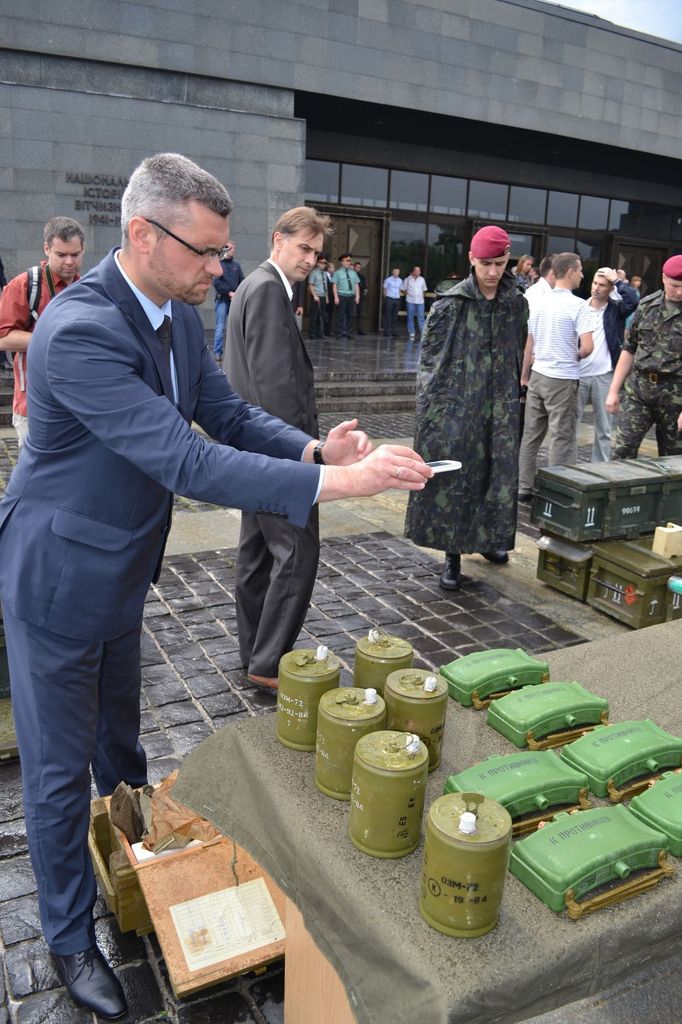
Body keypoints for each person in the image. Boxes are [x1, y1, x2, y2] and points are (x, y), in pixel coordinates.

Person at [0, 152, 432, 1021]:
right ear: (141, 235)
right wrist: (339, 490)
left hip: (122, 569)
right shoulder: (80, 329)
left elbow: (226, 413)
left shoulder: (175, 317)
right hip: (55, 580)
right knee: (53, 773)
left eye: (224, 250)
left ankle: (136, 854)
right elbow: (186, 456)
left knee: (121, 740)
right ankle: (70, 936)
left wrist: (315, 452)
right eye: (205, 251)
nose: (221, 268)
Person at [226, 207, 344, 687]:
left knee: (255, 553)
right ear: (279, 240)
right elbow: (274, 385)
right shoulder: (269, 289)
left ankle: (254, 652)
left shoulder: (256, 286)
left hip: (255, 447)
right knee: (298, 552)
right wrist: (305, 454)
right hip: (279, 454)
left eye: (317, 252)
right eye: (304, 248)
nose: (311, 259)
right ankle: (270, 663)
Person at [405, 225, 528, 591]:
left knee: (498, 474)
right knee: (457, 479)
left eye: (500, 263)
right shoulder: (450, 304)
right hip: (458, 408)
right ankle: (452, 555)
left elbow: (517, 350)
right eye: (486, 263)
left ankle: (491, 540)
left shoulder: (516, 303)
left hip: (501, 406)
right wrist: (437, 415)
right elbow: (429, 366)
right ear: (472, 260)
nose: (493, 272)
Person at [0, 216, 85, 447]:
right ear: (47, 249)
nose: (69, 261)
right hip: (35, 406)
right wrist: (54, 339)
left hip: (78, 404)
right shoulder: (25, 285)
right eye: (61, 254)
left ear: (83, 250)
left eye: (75, 255)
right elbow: (3, 338)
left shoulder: (87, 288)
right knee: (37, 479)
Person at [517, 253, 595, 500]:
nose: (582, 275)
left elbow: (529, 343)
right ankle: (557, 491)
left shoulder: (537, 301)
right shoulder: (579, 305)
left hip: (538, 375)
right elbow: (588, 347)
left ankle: (524, 487)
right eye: (580, 270)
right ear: (570, 271)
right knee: (562, 436)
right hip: (562, 378)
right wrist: (576, 353)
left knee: (531, 435)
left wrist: (524, 375)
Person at [606, 254, 682, 459]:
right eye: (675, 285)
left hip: (676, 395)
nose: (679, 291)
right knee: (622, 451)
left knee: (674, 459)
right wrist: (614, 390)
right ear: (664, 278)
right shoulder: (647, 306)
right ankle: (618, 491)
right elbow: (629, 349)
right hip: (639, 390)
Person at [576, 267, 639, 462]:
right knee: (570, 426)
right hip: (578, 374)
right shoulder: (579, 307)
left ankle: (600, 469)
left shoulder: (615, 309)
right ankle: (568, 468)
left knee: (604, 428)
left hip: (604, 374)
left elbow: (634, 301)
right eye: (595, 283)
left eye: (602, 285)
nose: (596, 288)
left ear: (610, 288)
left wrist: (618, 281)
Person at [211, 240, 243, 361]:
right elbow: (217, 283)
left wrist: (237, 293)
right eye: (230, 248)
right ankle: (217, 352)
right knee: (220, 327)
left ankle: (234, 353)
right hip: (222, 300)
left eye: (233, 248)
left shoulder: (236, 266)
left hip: (234, 301)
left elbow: (242, 281)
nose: (232, 250)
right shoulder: (219, 264)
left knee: (235, 327)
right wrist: (229, 292)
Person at [332, 253, 360, 339]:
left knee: (350, 315)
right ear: (342, 262)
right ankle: (339, 333)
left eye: (350, 261)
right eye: (347, 261)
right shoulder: (337, 273)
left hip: (351, 296)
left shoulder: (353, 273)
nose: (349, 262)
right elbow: (334, 285)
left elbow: (356, 284)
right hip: (341, 295)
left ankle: (350, 333)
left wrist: (357, 296)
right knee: (340, 315)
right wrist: (336, 297)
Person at [402, 265, 428, 341]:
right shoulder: (408, 279)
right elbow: (404, 289)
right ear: (413, 272)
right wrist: (408, 295)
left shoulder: (422, 279)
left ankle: (422, 332)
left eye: (419, 271)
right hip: (410, 301)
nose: (419, 272)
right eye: (417, 270)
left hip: (420, 301)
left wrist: (421, 296)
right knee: (410, 317)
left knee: (421, 317)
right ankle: (411, 332)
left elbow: (424, 290)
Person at [307, 254, 328, 339]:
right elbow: (311, 285)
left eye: (325, 263)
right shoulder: (314, 273)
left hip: (323, 296)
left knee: (321, 315)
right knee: (314, 316)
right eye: (321, 262)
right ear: (317, 263)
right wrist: (314, 295)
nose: (323, 264)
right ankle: (312, 334)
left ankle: (320, 333)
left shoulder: (324, 274)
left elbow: (325, 285)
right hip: (317, 296)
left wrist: (326, 296)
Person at [383, 266, 402, 338]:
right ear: (392, 272)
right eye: (395, 272)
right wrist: (386, 297)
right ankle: (386, 331)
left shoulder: (400, 280)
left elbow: (400, 289)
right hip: (389, 298)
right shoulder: (388, 280)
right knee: (388, 315)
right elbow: (384, 289)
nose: (396, 273)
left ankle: (394, 331)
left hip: (397, 299)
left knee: (395, 316)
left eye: (398, 272)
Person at [354, 260, 367, 335]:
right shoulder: (352, 275)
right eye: (357, 267)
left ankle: (360, 329)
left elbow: (364, 286)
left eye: (359, 267)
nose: (358, 268)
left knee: (360, 313)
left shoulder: (362, 276)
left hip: (360, 297)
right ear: (354, 267)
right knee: (350, 313)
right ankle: (349, 329)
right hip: (351, 296)